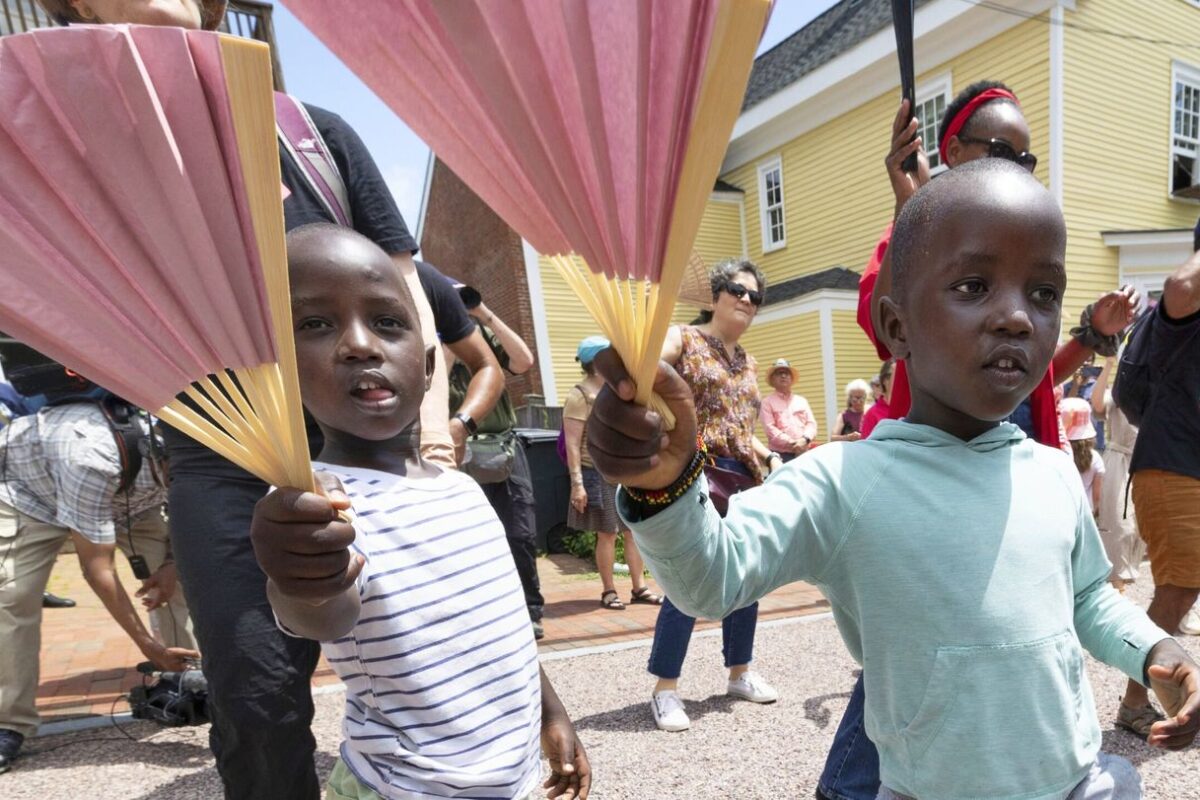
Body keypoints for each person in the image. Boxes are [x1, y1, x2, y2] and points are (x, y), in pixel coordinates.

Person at [588, 160, 1200, 799]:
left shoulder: (1049, 469)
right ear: (895, 326)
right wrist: (662, 485)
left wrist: (1157, 649)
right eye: (973, 285)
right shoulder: (846, 481)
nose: (1018, 317)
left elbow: (1086, 600)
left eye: (1044, 293)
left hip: (1072, 782)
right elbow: (709, 578)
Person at [33, 3, 502, 795]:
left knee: (441, 652)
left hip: (358, 450)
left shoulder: (310, 135)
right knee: (256, 694)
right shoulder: (79, 161)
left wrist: (424, 444)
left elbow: (405, 293)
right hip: (217, 458)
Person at [826, 79, 1141, 800]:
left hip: (1013, 469)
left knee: (990, 648)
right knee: (920, 658)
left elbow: (1034, 384)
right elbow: (885, 321)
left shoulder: (1020, 251)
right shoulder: (913, 235)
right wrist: (916, 212)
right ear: (947, 149)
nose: (1015, 166)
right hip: (934, 473)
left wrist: (1090, 336)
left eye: (1025, 159)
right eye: (1000, 149)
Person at [250, 224, 589, 800]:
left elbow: (500, 629)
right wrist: (302, 579)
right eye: (315, 324)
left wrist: (551, 713)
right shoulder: (321, 500)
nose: (360, 344)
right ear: (282, 374)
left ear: (429, 364)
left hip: (513, 781)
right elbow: (322, 614)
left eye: (386, 322)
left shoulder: (459, 490)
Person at [0, 401, 199, 774]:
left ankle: (186, 686)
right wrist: (148, 646)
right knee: (12, 598)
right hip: (29, 494)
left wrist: (172, 564)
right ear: (161, 462)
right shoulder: (90, 456)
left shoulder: (189, 452)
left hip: (134, 499)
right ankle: (8, 723)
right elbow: (96, 568)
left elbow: (190, 511)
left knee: (181, 585)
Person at [641, 258, 779, 734]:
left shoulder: (749, 361)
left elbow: (740, 426)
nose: (746, 300)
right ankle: (664, 689)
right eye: (738, 291)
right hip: (695, 472)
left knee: (745, 577)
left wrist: (772, 453)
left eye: (755, 296)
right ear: (717, 295)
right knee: (685, 577)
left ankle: (739, 672)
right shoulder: (685, 337)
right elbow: (646, 371)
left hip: (742, 474)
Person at [1118, 247, 1200, 737]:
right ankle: (1133, 702)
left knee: (1182, 588)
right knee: (1178, 588)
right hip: (1173, 464)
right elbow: (1179, 287)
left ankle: (1171, 695)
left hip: (1185, 463)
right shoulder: (1186, 306)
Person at [445, 279, 546, 638]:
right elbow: (434, 382)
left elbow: (524, 361)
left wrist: (482, 313)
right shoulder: (437, 345)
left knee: (519, 532)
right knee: (467, 538)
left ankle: (530, 610)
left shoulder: (484, 338)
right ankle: (483, 612)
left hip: (505, 448)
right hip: (458, 453)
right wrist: (449, 332)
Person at [564, 336, 661, 611]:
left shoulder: (619, 390)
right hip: (596, 472)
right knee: (607, 533)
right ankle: (608, 591)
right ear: (598, 362)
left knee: (633, 531)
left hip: (626, 473)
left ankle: (639, 587)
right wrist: (577, 483)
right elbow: (572, 443)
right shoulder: (579, 395)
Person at [1090, 356, 1143, 593]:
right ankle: (1116, 583)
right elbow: (1098, 405)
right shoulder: (1118, 392)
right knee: (1119, 523)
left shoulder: (1153, 391)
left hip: (1145, 461)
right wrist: (1109, 366)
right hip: (1119, 460)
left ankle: (1127, 577)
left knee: (1141, 525)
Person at [758, 358, 817, 462]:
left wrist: (805, 439)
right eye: (779, 373)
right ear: (772, 379)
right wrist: (793, 443)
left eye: (787, 373)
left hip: (804, 452)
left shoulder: (801, 401)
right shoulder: (767, 402)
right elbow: (770, 429)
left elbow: (811, 424)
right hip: (781, 456)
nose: (783, 376)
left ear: (791, 378)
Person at [1062, 397, 1105, 517]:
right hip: (1085, 514)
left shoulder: (1057, 454)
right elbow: (1097, 497)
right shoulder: (1095, 458)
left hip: (1062, 512)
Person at [859, 359, 895, 440]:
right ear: (885, 380)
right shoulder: (873, 413)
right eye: (895, 375)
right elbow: (866, 447)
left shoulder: (910, 410)